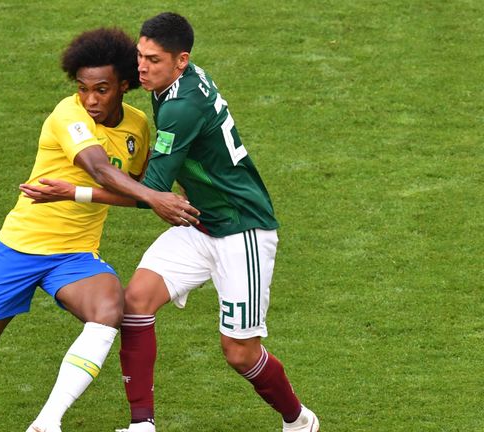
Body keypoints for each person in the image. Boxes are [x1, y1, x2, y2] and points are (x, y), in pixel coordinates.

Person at [20, 12, 319, 432]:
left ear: (182, 60)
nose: (141, 67)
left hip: (241, 232)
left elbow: (151, 195)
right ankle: (142, 425)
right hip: (200, 221)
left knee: (240, 352)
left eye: (153, 60)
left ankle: (300, 420)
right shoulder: (174, 83)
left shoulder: (181, 106)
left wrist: (74, 192)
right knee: (135, 302)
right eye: (140, 56)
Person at [0, 27, 199, 432]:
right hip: (19, 248)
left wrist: (173, 194)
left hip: (75, 256)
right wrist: (155, 199)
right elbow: (100, 170)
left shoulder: (137, 127)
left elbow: (141, 191)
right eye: (84, 88)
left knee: (109, 311)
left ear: (124, 84)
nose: (91, 99)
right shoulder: (67, 115)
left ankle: (48, 421)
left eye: (102, 89)